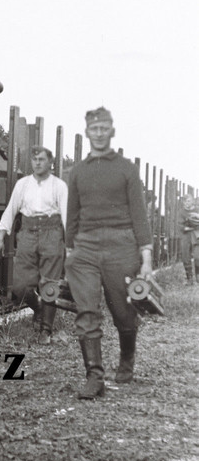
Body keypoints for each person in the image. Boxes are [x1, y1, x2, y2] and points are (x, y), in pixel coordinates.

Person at [65, 107, 153, 398]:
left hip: (121, 245)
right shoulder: (77, 171)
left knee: (123, 313)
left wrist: (146, 257)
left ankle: (126, 360)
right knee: (86, 311)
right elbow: (72, 215)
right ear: (87, 132)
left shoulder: (127, 168)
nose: (99, 133)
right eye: (94, 128)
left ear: (111, 131)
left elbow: (139, 215)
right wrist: (70, 253)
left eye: (104, 128)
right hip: (86, 246)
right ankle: (95, 377)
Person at [0, 145, 68, 344]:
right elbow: (11, 210)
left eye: (41, 159)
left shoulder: (59, 186)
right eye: (34, 159)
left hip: (52, 233)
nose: (37, 163)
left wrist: (71, 246)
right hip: (27, 232)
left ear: (50, 163)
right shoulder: (23, 184)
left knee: (49, 284)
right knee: (20, 285)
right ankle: (39, 308)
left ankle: (46, 330)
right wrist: (1, 236)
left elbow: (68, 217)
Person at [178, 194, 199, 285]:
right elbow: (180, 226)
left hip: (197, 235)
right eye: (185, 201)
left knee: (198, 256)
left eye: (189, 201)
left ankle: (198, 277)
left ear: (193, 201)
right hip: (186, 235)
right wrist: (188, 226)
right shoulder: (181, 212)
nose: (187, 203)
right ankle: (189, 279)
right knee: (185, 256)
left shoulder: (197, 210)